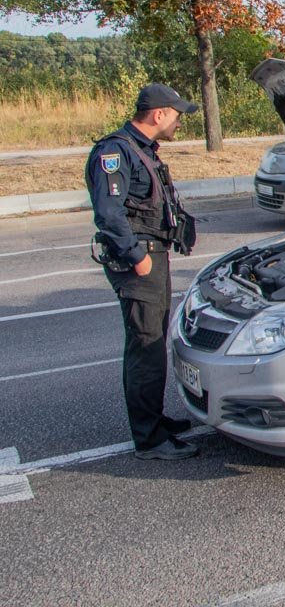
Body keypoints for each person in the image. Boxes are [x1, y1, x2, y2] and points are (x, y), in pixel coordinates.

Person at [86, 84, 200, 461]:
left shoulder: (141, 150)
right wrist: (138, 257)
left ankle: (155, 420)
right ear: (159, 114)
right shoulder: (114, 152)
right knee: (145, 349)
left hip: (152, 257)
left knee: (153, 345)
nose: (179, 122)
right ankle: (149, 439)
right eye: (177, 114)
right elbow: (109, 214)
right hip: (139, 263)